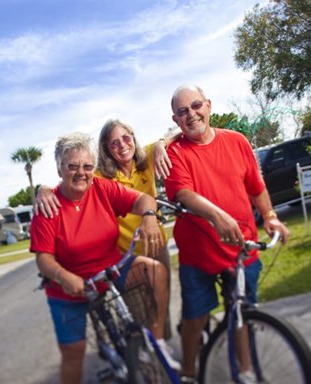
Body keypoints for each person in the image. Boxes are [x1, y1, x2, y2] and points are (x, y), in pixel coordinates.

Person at [164, 85, 291, 384]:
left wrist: (270, 216)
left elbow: (256, 185)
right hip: (199, 255)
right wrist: (217, 215)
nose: (191, 114)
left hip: (241, 249)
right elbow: (182, 192)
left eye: (196, 106)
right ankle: (190, 370)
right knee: (195, 317)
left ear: (208, 105)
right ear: (175, 118)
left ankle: (245, 372)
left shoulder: (237, 141)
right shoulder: (174, 151)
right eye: (182, 111)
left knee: (241, 313)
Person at [29, 132, 180, 384]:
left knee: (155, 271)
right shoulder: (49, 206)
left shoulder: (101, 187)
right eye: (72, 166)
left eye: (87, 166)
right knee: (73, 353)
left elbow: (142, 199)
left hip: (109, 272)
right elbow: (43, 259)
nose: (81, 172)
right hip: (69, 288)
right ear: (59, 169)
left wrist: (149, 216)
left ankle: (156, 343)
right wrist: (63, 276)